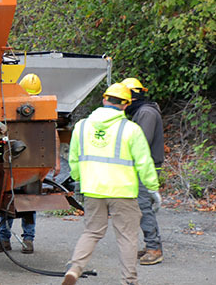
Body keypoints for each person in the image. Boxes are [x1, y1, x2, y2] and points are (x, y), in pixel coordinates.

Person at [62, 83, 160, 285]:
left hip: (93, 189)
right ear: (126, 105)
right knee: (127, 237)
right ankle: (129, 280)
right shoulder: (131, 130)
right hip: (123, 191)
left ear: (105, 100)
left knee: (91, 232)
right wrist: (152, 187)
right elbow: (144, 162)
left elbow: (73, 159)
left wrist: (80, 179)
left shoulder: (81, 126)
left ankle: (74, 269)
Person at [0, 73, 41, 254]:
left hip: (31, 165)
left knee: (28, 203)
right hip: (13, 163)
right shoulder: (9, 105)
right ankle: (5, 240)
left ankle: (27, 240)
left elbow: (52, 136)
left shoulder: (43, 110)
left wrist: (55, 163)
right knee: (7, 201)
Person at [122, 77, 165, 265]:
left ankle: (154, 248)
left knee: (143, 207)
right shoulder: (142, 111)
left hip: (147, 167)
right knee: (141, 207)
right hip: (144, 165)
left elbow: (141, 142)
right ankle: (151, 246)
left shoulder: (146, 113)